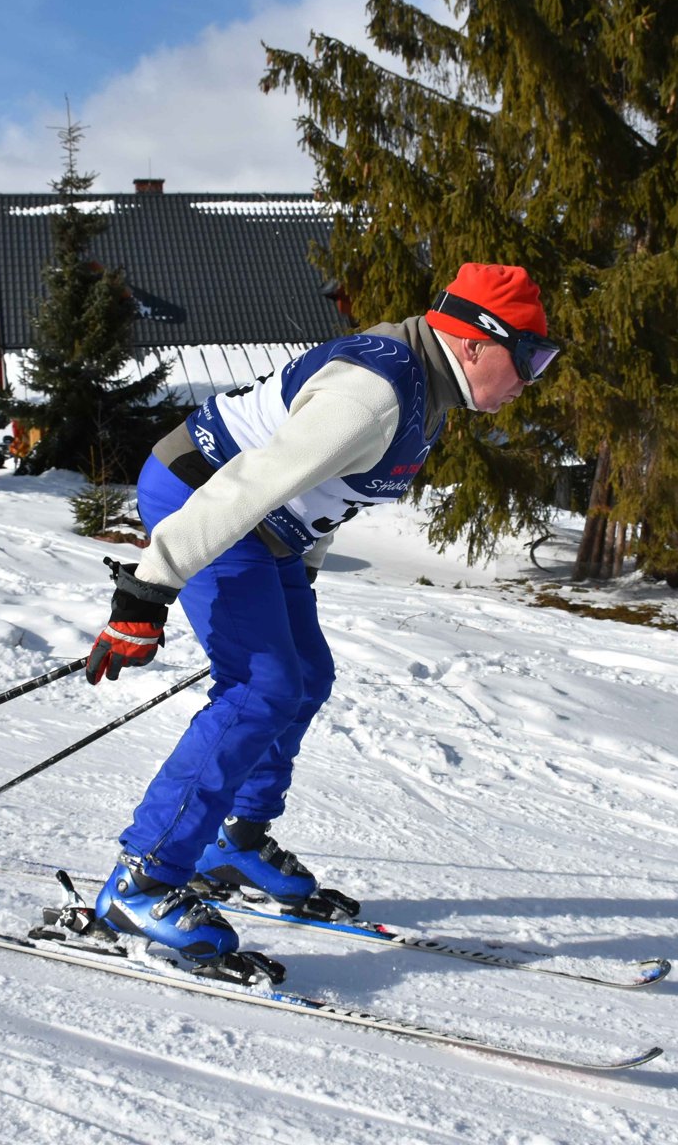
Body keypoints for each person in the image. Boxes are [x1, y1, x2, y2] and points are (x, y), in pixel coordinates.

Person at [81, 263, 558, 973]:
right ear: (473, 343)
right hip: (203, 499)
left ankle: (233, 843)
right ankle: (143, 880)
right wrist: (146, 594)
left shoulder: (427, 392)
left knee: (305, 676)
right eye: (529, 358)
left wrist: (298, 573)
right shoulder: (374, 394)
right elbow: (248, 483)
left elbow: (331, 491)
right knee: (259, 688)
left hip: (266, 528)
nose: (531, 380)